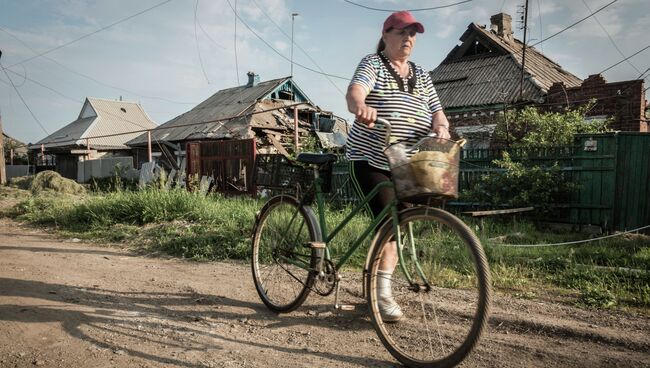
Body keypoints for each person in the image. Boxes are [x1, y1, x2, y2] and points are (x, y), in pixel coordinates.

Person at [345, 10, 451, 322]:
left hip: (406, 162)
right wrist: (360, 107)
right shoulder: (373, 63)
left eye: (412, 34)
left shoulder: (422, 74)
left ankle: (379, 288)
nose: (408, 39)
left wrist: (442, 127)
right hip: (371, 159)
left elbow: (438, 112)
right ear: (386, 35)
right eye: (402, 32)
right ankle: (380, 296)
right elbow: (355, 92)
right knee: (389, 226)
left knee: (400, 225)